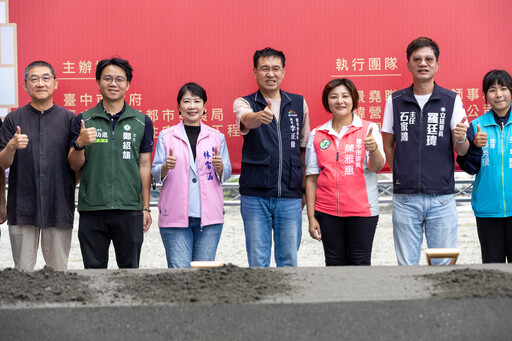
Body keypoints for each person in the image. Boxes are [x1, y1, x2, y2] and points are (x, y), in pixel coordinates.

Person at [382, 37, 469, 265]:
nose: (423, 63)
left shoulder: (451, 100)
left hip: (441, 198)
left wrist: (461, 137)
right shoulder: (395, 100)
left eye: (429, 59)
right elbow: (388, 144)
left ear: (437, 65)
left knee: (442, 267)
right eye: (417, 59)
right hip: (406, 198)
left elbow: (461, 148)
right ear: (408, 64)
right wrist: (401, 172)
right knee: (407, 268)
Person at [68, 57, 154, 269]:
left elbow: (144, 166)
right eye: (107, 78)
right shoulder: (83, 120)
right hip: (92, 209)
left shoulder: (141, 121)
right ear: (98, 82)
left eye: (119, 79)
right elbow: (73, 165)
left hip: (130, 210)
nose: (113, 84)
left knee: (130, 271)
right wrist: (79, 143)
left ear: (128, 84)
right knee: (94, 273)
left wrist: (145, 208)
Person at [233, 47, 310, 267]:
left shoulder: (298, 103)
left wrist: (303, 190)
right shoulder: (244, 102)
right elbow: (246, 120)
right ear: (255, 72)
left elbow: (303, 149)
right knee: (258, 260)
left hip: (290, 196)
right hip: (255, 196)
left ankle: (286, 302)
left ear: (283, 72)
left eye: (276, 69)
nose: (270, 74)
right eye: (264, 68)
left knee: (288, 259)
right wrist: (260, 116)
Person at [0, 61, 75, 271]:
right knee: (22, 272)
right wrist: (12, 146)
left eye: (45, 78)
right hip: (23, 206)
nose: (40, 83)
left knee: (58, 272)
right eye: (34, 79)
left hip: (58, 206)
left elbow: (76, 164)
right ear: (25, 86)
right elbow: (2, 163)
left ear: (55, 83)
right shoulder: (13, 119)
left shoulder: (70, 119)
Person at [306, 78, 384, 266]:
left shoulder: (369, 129)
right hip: (327, 212)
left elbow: (377, 167)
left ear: (354, 100)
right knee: (334, 263)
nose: (339, 101)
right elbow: (311, 178)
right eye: (333, 97)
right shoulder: (317, 134)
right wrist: (311, 216)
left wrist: (373, 149)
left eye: (345, 96)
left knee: (360, 262)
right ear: (327, 102)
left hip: (362, 211)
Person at [152, 83, 231, 268]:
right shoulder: (166, 136)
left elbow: (225, 173)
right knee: (179, 274)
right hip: (175, 216)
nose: (192, 106)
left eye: (197, 101)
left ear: (204, 106)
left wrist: (220, 167)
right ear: (179, 106)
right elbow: (155, 173)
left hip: (209, 217)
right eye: (186, 101)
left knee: (203, 274)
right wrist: (165, 167)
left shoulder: (216, 136)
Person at [457, 69, 512, 263]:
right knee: (492, 267)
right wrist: (475, 147)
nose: (498, 94)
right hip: (488, 209)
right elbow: (469, 167)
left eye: (504, 88)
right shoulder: (477, 126)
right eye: (492, 90)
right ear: (485, 96)